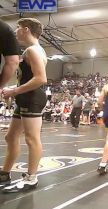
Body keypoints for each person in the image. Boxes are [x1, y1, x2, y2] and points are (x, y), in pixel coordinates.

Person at [1, 18, 48, 192]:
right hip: (25, 97)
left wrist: (14, 91)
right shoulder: (35, 50)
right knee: (11, 137)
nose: (15, 31)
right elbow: (28, 78)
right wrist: (12, 88)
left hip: (32, 98)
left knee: (31, 139)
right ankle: (5, 173)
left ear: (26, 29)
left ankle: (31, 178)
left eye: (18, 28)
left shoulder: (33, 50)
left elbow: (41, 79)